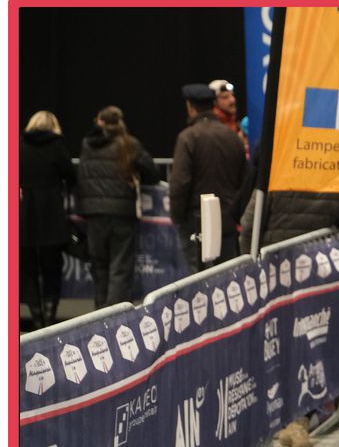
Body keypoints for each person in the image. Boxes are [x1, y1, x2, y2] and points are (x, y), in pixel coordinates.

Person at [76, 105, 161, 308]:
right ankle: (116, 317)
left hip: (93, 213)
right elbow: (153, 173)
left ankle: (100, 316)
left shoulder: (87, 144)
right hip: (121, 212)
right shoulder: (129, 144)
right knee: (120, 268)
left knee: (99, 267)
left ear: (100, 122)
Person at [170, 83, 248, 271]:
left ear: (190, 106)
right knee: (227, 278)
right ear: (213, 105)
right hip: (227, 221)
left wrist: (178, 217)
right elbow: (244, 181)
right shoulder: (233, 137)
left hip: (196, 223)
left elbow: (180, 183)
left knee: (198, 279)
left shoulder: (188, 137)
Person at [19, 110, 76, 328]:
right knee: (52, 269)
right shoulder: (56, 146)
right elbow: (70, 174)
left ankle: (36, 319)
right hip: (51, 215)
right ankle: (50, 321)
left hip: (23, 215)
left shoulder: (18, 146)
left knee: (28, 270)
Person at [208, 78, 250, 157]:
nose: (232, 100)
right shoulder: (210, 128)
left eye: (232, 95)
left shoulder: (238, 125)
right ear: (214, 102)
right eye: (225, 97)